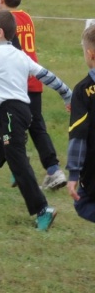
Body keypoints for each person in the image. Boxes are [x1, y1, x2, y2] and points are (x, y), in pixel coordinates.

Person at [0, 10, 72, 231]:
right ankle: (13, 160)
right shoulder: (21, 55)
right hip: (19, 112)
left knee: (19, 165)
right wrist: (67, 94)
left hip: (11, 114)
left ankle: (43, 210)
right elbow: (47, 76)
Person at [0, 0, 66, 190]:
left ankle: (12, 134)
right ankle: (54, 170)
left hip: (15, 81)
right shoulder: (27, 18)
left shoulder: (5, 22)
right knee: (37, 126)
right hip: (34, 79)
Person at [66, 25, 95, 223]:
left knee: (82, 203)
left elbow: (79, 134)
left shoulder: (83, 90)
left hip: (92, 167)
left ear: (90, 54)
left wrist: (73, 173)